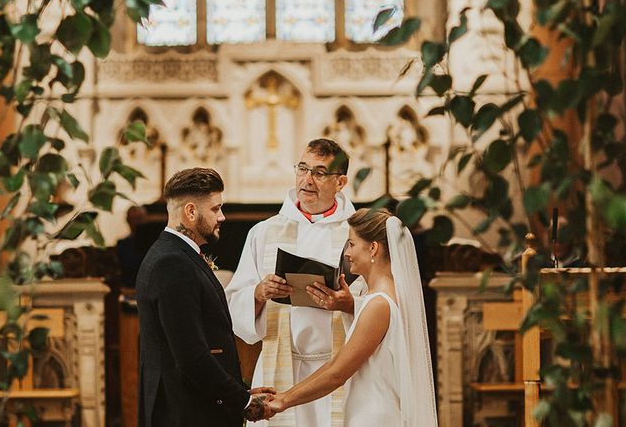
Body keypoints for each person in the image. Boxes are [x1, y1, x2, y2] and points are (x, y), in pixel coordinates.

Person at [225, 138, 358, 427]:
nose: (307, 180)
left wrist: (349, 304)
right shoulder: (264, 232)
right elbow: (234, 303)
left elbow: (382, 302)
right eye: (302, 169)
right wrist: (259, 294)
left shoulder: (358, 233)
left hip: (341, 370)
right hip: (280, 366)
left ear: (341, 182)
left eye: (320, 173)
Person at [267, 208, 438, 426]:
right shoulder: (373, 297)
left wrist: (284, 401)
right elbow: (336, 363)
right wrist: (283, 396)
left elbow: (338, 373)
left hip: (376, 416)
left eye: (352, 244)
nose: (347, 253)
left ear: (373, 248)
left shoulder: (379, 304)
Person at [136, 167, 274, 426]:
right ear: (190, 211)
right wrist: (242, 401)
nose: (222, 217)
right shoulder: (171, 263)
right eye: (215, 209)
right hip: (186, 412)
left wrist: (240, 391)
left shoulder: (174, 254)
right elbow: (192, 355)